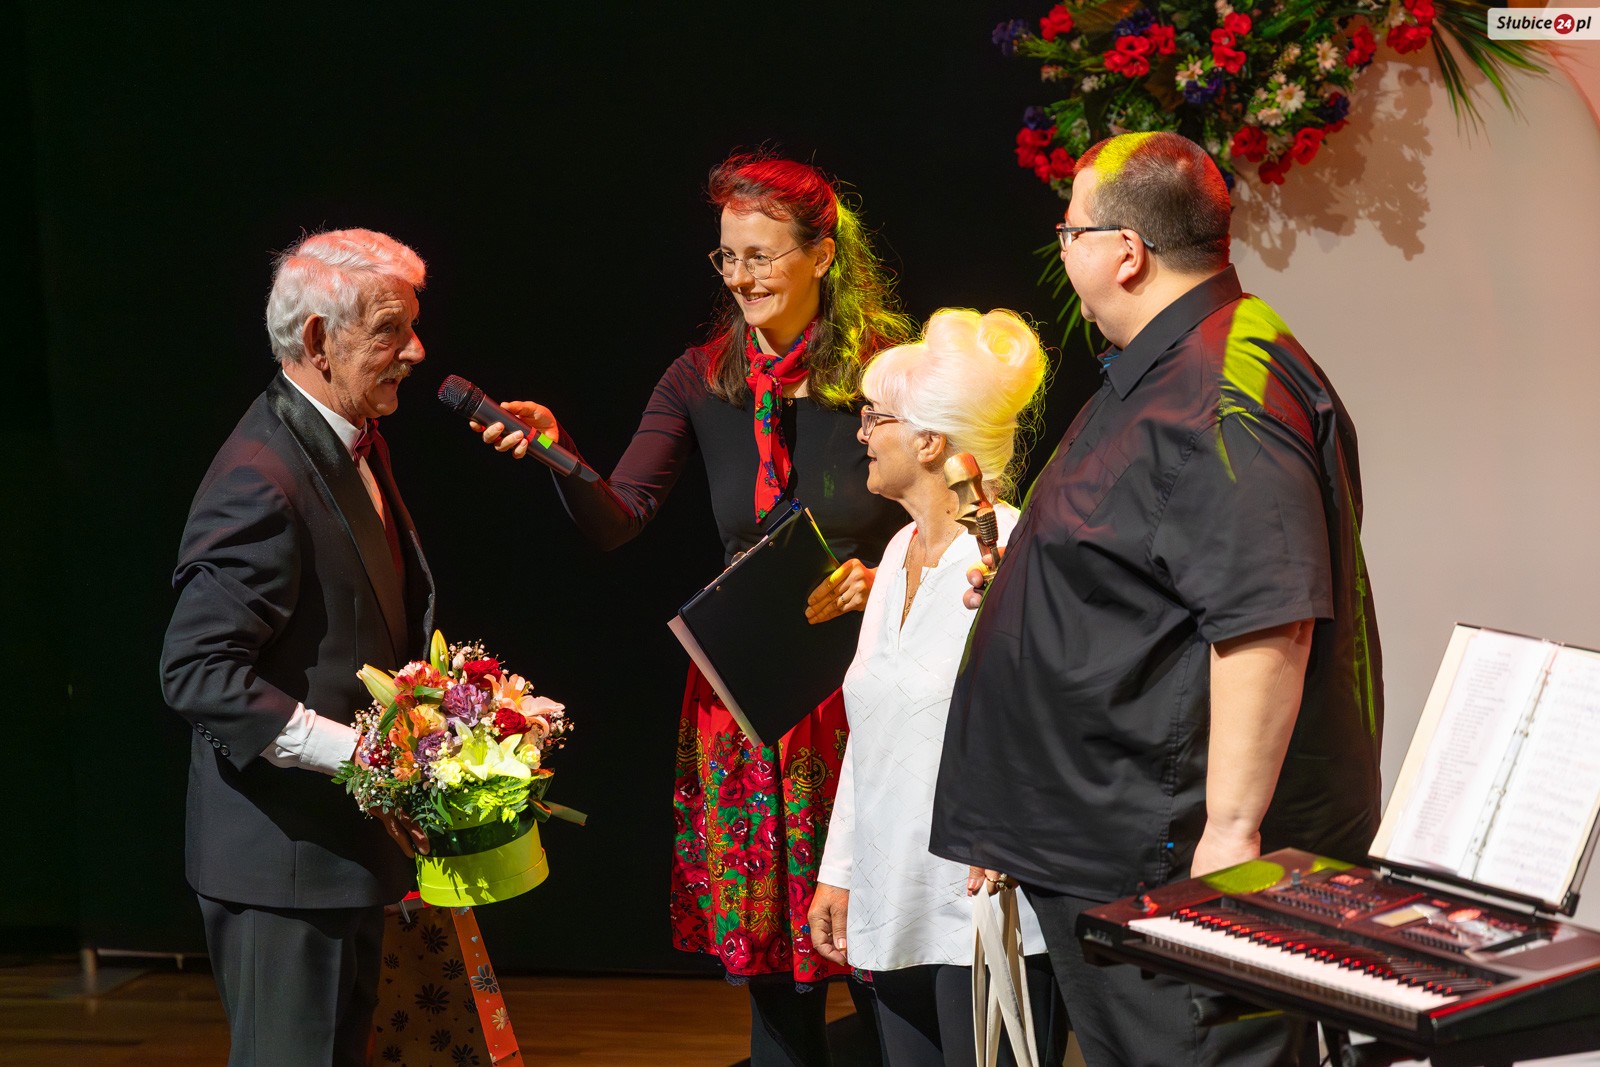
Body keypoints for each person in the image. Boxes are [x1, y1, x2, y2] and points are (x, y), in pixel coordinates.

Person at [930, 132, 1384, 1067]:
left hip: (1170, 864)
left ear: (1126, 251)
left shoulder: (1221, 391)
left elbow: (1267, 618)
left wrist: (1231, 835)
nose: (1062, 250)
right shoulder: (1167, 366)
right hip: (1110, 848)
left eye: (1070, 231)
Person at [478, 151, 915, 1065]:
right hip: (746, 694)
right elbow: (619, 516)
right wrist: (557, 455)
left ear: (822, 254)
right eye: (728, 257)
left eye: (761, 255)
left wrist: (885, 574)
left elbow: (960, 518)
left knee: (881, 951)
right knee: (770, 966)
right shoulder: (702, 377)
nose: (742, 278)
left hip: (860, 690)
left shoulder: (887, 374)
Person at [160, 229, 436, 1066]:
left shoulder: (347, 438)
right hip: (280, 870)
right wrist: (360, 755)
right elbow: (198, 672)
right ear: (319, 340)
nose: (415, 351)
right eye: (391, 330)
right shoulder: (261, 473)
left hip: (337, 858)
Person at [805, 309, 1066, 1066]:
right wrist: (840, 873)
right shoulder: (895, 552)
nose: (860, 434)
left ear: (929, 442)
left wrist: (1008, 833)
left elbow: (1045, 717)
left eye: (875, 417)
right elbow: (872, 731)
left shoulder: (1008, 551)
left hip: (984, 906)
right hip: (896, 902)